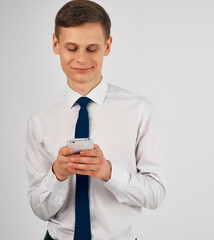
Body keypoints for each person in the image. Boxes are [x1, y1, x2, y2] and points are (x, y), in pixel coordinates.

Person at [25, 0, 166, 239]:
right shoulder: (40, 121)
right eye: (71, 48)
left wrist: (108, 172)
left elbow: (155, 195)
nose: (81, 59)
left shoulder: (140, 110)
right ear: (55, 44)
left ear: (107, 46)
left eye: (91, 49)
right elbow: (40, 210)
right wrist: (57, 175)